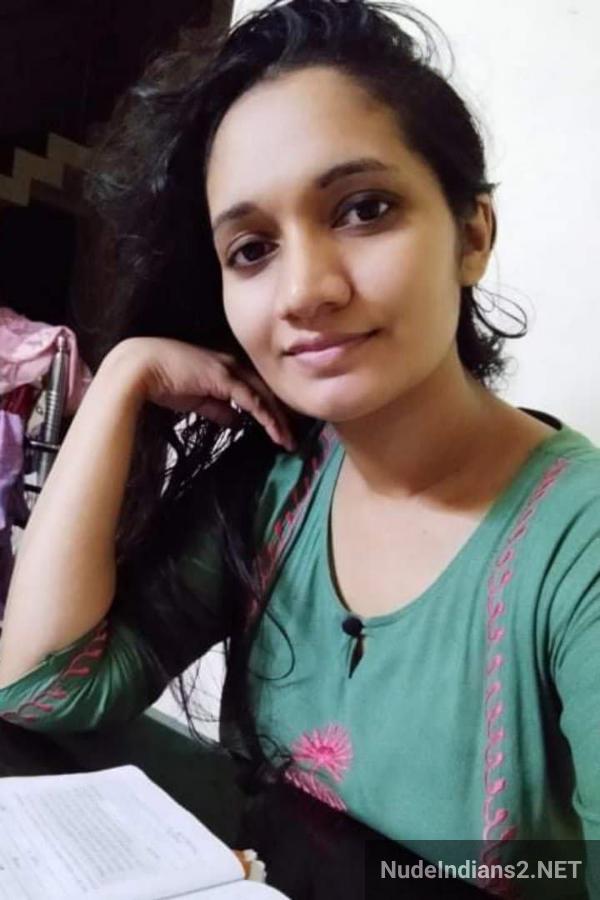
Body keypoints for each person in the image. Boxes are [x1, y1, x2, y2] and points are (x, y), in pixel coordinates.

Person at [0, 0, 598, 894]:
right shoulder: (278, 486)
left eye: (363, 209)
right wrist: (120, 377)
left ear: (472, 234)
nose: (304, 290)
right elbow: (41, 689)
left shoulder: (578, 548)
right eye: (251, 250)